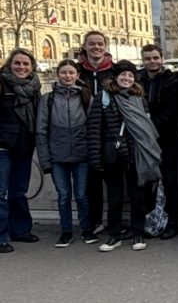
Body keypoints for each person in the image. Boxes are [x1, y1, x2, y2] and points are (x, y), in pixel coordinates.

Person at [87, 60, 162, 252]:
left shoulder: (139, 98)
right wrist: (95, 158)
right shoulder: (103, 98)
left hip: (136, 153)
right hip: (113, 155)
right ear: (115, 77)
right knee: (115, 198)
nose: (127, 78)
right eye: (123, 75)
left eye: (130, 75)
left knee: (138, 197)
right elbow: (94, 129)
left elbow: (146, 128)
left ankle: (138, 232)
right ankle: (114, 234)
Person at [35, 60, 93, 247]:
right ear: (58, 75)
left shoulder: (85, 97)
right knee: (63, 196)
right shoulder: (48, 99)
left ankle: (86, 229)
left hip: (81, 154)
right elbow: (41, 131)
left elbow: (93, 127)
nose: (68, 76)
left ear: (77, 75)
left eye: (71, 73)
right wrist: (45, 160)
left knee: (82, 195)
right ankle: (66, 231)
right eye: (64, 73)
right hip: (57, 156)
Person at [138, 44, 178, 240]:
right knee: (147, 182)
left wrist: (148, 126)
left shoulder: (172, 80)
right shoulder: (136, 80)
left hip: (167, 138)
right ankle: (150, 221)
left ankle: (173, 221)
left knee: (170, 180)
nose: (152, 61)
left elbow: (173, 112)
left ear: (162, 59)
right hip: (144, 140)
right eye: (148, 58)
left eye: (155, 57)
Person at [0, 48, 42, 253]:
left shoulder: (34, 88)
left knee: (18, 191)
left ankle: (21, 230)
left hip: (24, 145)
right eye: (17, 63)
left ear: (32, 67)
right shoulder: (2, 83)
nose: (21, 67)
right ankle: (1, 236)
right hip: (3, 146)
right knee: (0, 193)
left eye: (26, 64)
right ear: (10, 64)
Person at [77, 31, 115, 236]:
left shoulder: (115, 71)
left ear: (105, 46)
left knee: (113, 182)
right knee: (91, 183)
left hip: (109, 134)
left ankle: (113, 223)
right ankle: (94, 221)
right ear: (85, 46)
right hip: (84, 135)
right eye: (92, 44)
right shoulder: (74, 71)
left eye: (100, 44)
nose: (96, 47)